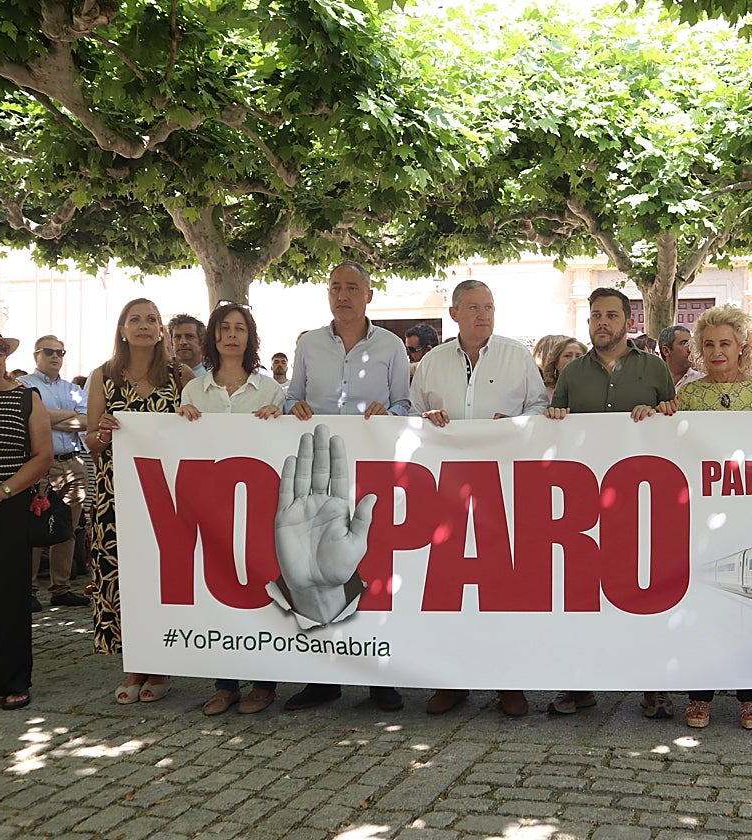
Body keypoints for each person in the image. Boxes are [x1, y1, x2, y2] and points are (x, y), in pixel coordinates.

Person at [410, 280, 548, 717]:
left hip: (505, 489)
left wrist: (517, 424)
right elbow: (410, 416)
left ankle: (509, 683)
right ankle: (452, 682)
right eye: (473, 307)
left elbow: (541, 409)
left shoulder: (516, 356)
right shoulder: (431, 363)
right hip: (446, 492)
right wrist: (426, 419)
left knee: (503, 589)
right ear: (453, 314)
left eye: (489, 306)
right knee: (451, 591)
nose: (483, 314)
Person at [283, 261, 410, 713]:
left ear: (369, 296)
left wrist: (388, 411)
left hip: (373, 467)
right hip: (320, 470)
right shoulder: (309, 344)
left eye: (352, 287)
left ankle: (380, 679)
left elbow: (404, 403)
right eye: (335, 286)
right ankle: (322, 679)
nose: (343, 294)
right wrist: (293, 405)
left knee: (370, 567)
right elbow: (291, 394)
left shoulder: (392, 346)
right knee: (319, 569)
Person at [546, 287, 678, 718]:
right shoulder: (572, 373)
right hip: (583, 507)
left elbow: (675, 426)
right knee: (581, 595)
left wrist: (657, 415)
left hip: (641, 502)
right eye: (596, 316)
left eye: (611, 316)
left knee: (643, 591)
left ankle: (651, 684)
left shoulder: (655, 368)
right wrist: (556, 419)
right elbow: (553, 428)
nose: (603, 323)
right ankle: (579, 685)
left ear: (628, 321)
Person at [677, 305, 752, 730]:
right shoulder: (687, 396)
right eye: (708, 344)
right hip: (703, 519)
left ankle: (751, 695)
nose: (717, 351)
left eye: (725, 343)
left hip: (751, 517)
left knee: (749, 605)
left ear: (742, 345)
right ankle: (700, 693)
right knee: (703, 603)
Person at [176, 303, 285, 715]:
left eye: (240, 328)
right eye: (224, 329)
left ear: (249, 337)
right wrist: (180, 421)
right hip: (212, 513)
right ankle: (225, 684)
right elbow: (181, 448)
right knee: (217, 591)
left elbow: (283, 445)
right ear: (214, 337)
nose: (231, 335)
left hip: (259, 512)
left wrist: (280, 417)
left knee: (260, 589)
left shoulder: (270, 391)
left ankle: (264, 684)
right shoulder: (193, 392)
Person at [87, 299, 195, 704]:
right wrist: (104, 431)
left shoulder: (179, 375)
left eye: (152, 319)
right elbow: (92, 443)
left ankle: (162, 664)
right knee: (125, 577)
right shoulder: (103, 376)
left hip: (167, 495)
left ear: (161, 330)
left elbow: (196, 430)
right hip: (117, 495)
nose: (144, 326)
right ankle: (135, 663)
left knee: (161, 575)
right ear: (122, 329)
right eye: (136, 319)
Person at [0, 330, 53, 710]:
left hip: (9, 507)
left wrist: (2, 492)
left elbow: (42, 454)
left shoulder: (26, 397)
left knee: (10, 596)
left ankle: (13, 679)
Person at [18, 335, 91, 610]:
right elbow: (35, 418)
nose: (55, 356)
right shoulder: (24, 385)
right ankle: (29, 589)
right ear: (36, 355)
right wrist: (65, 416)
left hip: (73, 463)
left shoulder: (73, 389)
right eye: (49, 351)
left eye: (60, 351)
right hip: (41, 464)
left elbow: (87, 420)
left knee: (68, 528)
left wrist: (50, 416)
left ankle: (61, 588)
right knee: (36, 528)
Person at [658, 324, 701, 389]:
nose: (690, 349)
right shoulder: (650, 380)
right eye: (684, 343)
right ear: (666, 351)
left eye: (691, 344)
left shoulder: (701, 381)